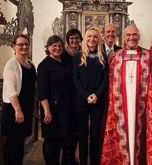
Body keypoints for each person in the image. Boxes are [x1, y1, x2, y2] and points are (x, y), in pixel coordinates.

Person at [101, 25, 152, 165]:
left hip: (142, 108)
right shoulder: (116, 57)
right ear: (123, 37)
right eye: (128, 35)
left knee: (141, 136)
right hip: (120, 108)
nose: (131, 37)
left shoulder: (148, 56)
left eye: (134, 35)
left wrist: (151, 105)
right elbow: (110, 86)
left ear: (139, 36)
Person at [37, 35, 76, 165]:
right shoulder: (44, 65)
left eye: (59, 46)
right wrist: (47, 111)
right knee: (52, 142)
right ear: (48, 48)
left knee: (67, 140)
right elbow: (42, 91)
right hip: (52, 109)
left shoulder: (65, 62)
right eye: (54, 46)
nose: (57, 48)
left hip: (67, 108)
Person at [73, 27, 108, 165]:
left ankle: (94, 161)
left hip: (98, 100)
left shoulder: (103, 56)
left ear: (98, 39)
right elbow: (75, 79)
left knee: (95, 133)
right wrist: (86, 95)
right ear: (85, 39)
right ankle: (83, 161)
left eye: (95, 36)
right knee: (82, 133)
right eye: (89, 36)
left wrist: (96, 95)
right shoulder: (77, 56)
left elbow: (105, 79)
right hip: (81, 99)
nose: (92, 39)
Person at [1, 34, 36, 165]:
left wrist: (34, 108)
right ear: (13, 47)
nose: (24, 46)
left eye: (26, 44)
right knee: (12, 144)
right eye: (20, 44)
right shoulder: (11, 65)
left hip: (25, 108)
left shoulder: (30, 64)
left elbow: (33, 88)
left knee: (20, 142)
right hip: (13, 109)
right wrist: (18, 110)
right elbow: (11, 91)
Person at [61, 28, 83, 164]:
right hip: (65, 97)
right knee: (66, 129)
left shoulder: (83, 54)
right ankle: (66, 157)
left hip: (79, 97)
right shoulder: (62, 55)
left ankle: (73, 156)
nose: (74, 40)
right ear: (68, 40)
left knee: (77, 129)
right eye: (71, 38)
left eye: (76, 38)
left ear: (80, 39)